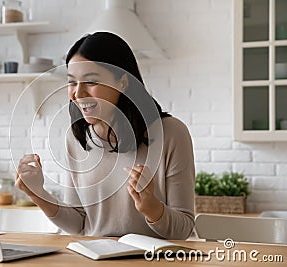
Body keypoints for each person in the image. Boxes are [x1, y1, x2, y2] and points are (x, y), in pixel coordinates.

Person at [15, 32, 195, 239]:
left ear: (123, 83)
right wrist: (37, 194)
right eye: (72, 82)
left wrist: (152, 208)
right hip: (94, 257)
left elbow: (184, 229)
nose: (78, 93)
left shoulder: (171, 134)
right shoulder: (76, 138)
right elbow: (81, 224)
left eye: (91, 82)